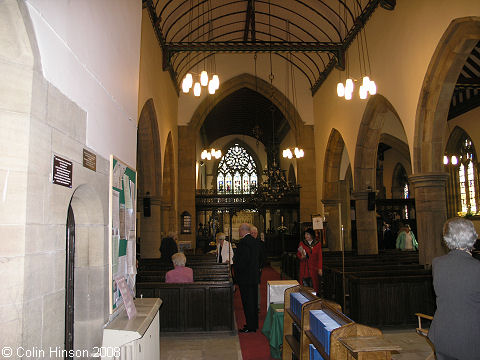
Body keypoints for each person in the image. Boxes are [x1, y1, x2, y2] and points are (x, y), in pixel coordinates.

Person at [428, 217, 480, 360]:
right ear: (473, 237)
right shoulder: (476, 268)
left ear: (447, 239)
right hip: (471, 337)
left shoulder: (437, 264)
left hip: (443, 333)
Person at [233, 223, 260, 333]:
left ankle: (250, 326)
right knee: (253, 302)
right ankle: (254, 324)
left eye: (239, 230)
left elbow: (242, 262)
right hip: (254, 276)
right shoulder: (255, 241)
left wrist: (236, 271)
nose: (239, 232)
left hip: (245, 278)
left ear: (244, 231)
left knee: (247, 303)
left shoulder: (243, 243)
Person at [297, 228, 323, 293]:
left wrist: (320, 268)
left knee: (314, 285)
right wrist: (302, 257)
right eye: (305, 234)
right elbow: (298, 254)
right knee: (304, 286)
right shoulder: (302, 243)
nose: (306, 236)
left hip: (314, 267)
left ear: (312, 235)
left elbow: (320, 257)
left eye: (308, 234)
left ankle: (314, 300)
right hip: (304, 267)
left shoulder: (317, 244)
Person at [251, 225, 266, 310]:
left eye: (255, 233)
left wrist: (260, 266)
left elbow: (263, 256)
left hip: (257, 268)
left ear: (257, 234)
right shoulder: (248, 242)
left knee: (257, 286)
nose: (253, 234)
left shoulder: (260, 243)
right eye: (252, 233)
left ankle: (258, 305)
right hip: (250, 268)